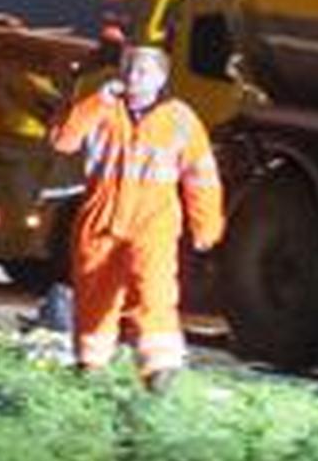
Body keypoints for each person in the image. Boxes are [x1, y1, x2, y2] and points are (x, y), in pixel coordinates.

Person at [48, 45, 224, 385]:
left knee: (155, 291)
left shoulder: (180, 120)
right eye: (128, 69)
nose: (133, 77)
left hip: (153, 221)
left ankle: (159, 369)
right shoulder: (103, 110)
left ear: (162, 78)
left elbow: (201, 177)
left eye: (143, 71)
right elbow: (63, 141)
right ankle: (90, 366)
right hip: (101, 218)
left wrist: (206, 227)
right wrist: (97, 101)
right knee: (95, 294)